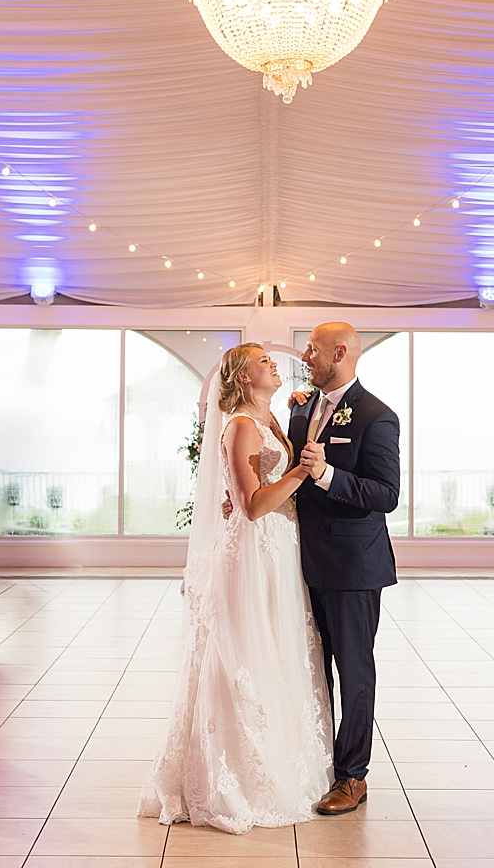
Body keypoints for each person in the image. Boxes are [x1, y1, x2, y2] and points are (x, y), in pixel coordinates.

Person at [139, 343, 332, 833]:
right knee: (245, 653)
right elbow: (249, 506)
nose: (273, 364)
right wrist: (302, 471)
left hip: (279, 551)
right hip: (253, 554)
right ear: (244, 379)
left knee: (276, 650)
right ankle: (235, 776)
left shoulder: (267, 418)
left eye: (272, 358)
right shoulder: (242, 425)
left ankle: (279, 759)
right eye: (262, 360)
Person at [290, 322, 400, 815]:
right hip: (300, 564)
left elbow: (386, 494)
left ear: (339, 353)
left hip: (353, 566)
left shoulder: (378, 416)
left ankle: (352, 776)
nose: (304, 355)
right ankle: (316, 761)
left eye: (312, 349)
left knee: (353, 670)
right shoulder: (300, 409)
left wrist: (329, 474)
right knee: (314, 670)